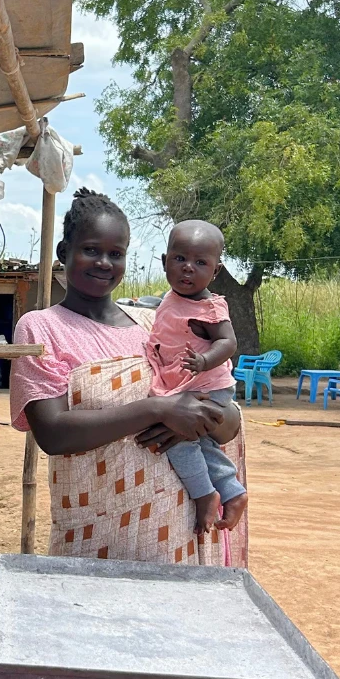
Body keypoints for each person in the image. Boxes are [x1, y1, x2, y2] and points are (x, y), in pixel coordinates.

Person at [10, 188, 245, 564]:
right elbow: (52, 434)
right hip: (94, 532)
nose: (104, 262)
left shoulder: (156, 324)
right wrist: (158, 410)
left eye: (116, 254)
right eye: (91, 250)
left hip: (178, 529)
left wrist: (198, 418)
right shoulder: (41, 328)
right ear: (63, 253)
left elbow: (227, 421)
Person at [147, 220, 247, 533]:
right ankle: (232, 491)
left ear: (215, 271)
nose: (188, 268)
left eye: (200, 262)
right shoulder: (171, 297)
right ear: (165, 262)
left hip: (208, 388)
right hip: (189, 387)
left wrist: (204, 360)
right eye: (179, 259)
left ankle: (204, 494)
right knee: (203, 445)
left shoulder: (208, 308)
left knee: (178, 441)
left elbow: (228, 342)